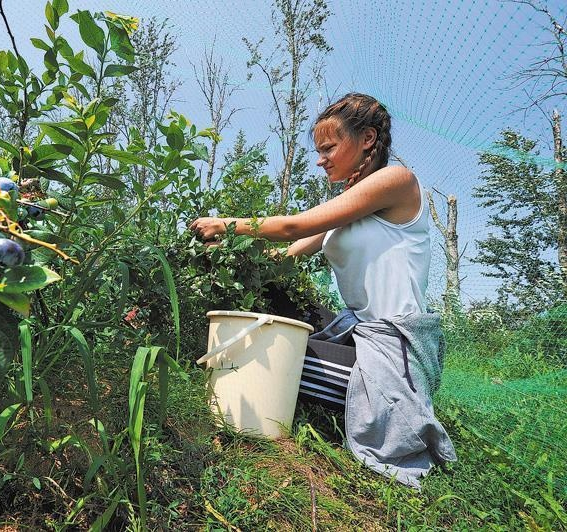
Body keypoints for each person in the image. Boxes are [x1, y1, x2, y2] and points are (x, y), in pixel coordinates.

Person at [190, 93, 456, 489]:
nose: (321, 159)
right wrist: (227, 256)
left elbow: (295, 226)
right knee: (274, 296)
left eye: (329, 147)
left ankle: (403, 412)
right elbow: (284, 258)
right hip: (359, 337)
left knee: (262, 360)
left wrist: (227, 224)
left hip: (394, 355)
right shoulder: (346, 208)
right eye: (319, 151)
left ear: (367, 138)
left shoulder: (397, 182)